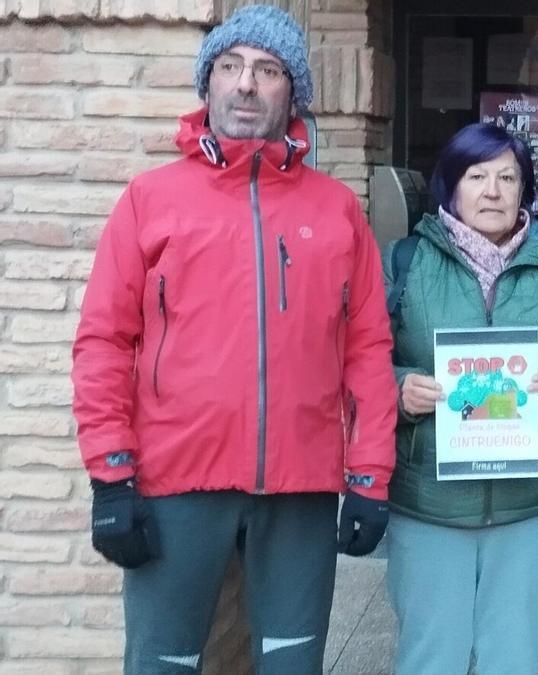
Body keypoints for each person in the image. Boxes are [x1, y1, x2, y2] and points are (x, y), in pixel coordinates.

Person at [71, 5, 398, 672]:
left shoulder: (334, 208)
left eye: (268, 70)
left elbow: (366, 348)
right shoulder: (150, 199)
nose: (246, 83)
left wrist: (369, 477)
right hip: (175, 484)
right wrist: (110, 475)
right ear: (209, 83)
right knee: (163, 662)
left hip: (301, 490)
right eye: (230, 66)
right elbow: (103, 340)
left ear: (292, 92)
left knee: (291, 665)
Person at [383, 122, 538, 675]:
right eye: (477, 176)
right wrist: (398, 388)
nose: (492, 191)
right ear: (451, 185)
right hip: (430, 502)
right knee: (431, 655)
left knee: (513, 657)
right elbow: (358, 362)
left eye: (507, 177)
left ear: (526, 191)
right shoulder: (404, 263)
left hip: (528, 502)